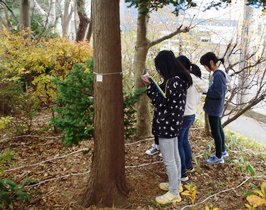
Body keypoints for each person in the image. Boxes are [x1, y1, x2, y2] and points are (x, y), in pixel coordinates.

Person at [141, 50, 192, 205]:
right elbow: (166, 98)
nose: (159, 71)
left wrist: (149, 87)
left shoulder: (173, 82)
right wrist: (154, 85)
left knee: (170, 160)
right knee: (175, 156)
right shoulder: (177, 80)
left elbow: (161, 103)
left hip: (166, 125)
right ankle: (176, 184)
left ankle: (174, 193)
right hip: (173, 124)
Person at [176, 55, 208, 181]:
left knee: (179, 143)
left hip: (183, 116)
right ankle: (189, 166)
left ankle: (182, 173)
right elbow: (207, 88)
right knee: (184, 141)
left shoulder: (185, 78)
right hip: (191, 115)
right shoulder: (195, 78)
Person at [200, 52, 229, 164]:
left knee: (216, 132)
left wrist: (206, 90)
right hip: (216, 108)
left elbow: (218, 93)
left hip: (214, 108)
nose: (205, 68)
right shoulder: (217, 74)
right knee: (219, 129)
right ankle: (222, 151)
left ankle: (218, 156)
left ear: (211, 62)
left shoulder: (218, 75)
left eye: (205, 65)